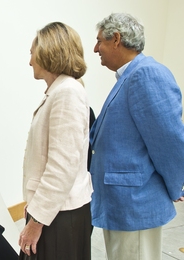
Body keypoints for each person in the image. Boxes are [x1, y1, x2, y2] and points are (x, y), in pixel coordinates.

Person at [90, 13, 184, 260]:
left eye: (99, 41)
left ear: (116, 39)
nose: (95, 48)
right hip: (122, 204)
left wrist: (175, 187)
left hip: (136, 203)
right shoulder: (129, 76)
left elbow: (169, 141)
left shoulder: (146, 74)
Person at [19, 22, 93, 260]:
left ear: (48, 51)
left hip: (61, 216)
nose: (30, 61)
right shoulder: (60, 91)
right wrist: (34, 205)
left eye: (32, 53)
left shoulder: (67, 92)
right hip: (55, 211)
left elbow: (61, 166)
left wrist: (37, 220)